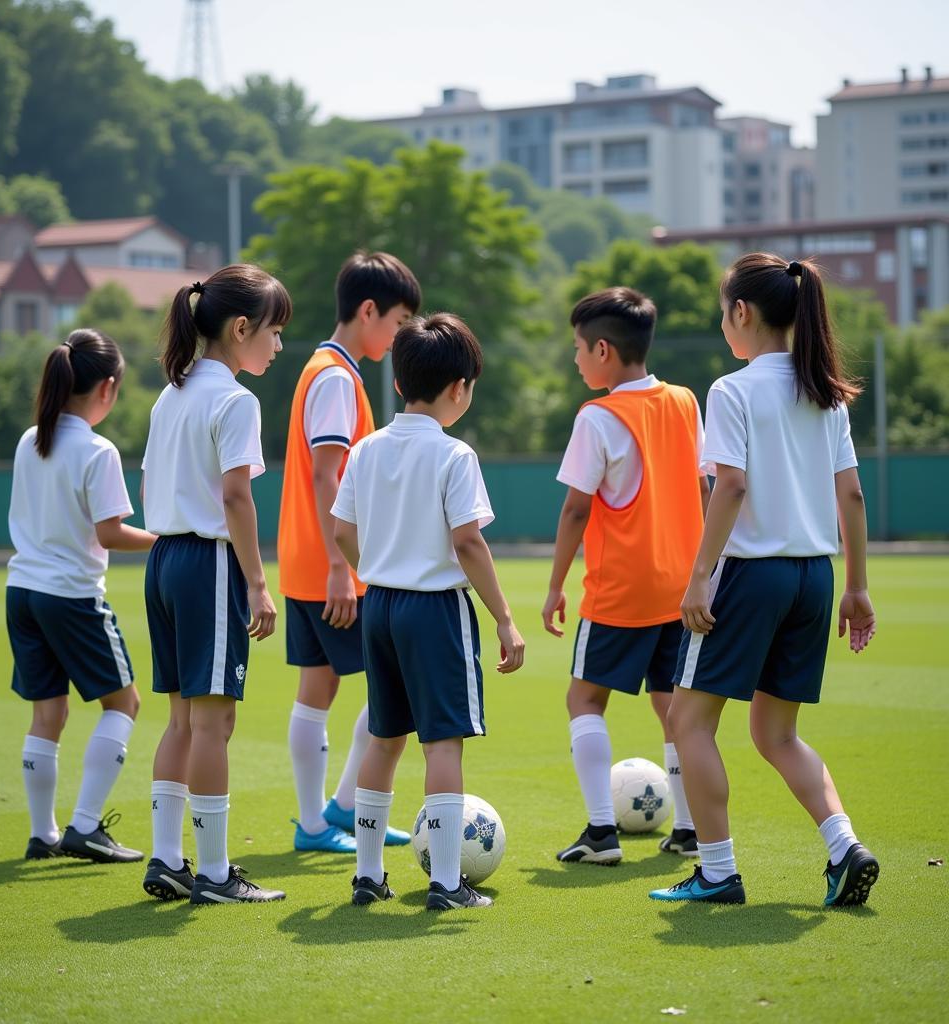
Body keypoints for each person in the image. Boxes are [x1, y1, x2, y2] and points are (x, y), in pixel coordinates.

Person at [650, 254, 879, 907]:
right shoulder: (825, 393)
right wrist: (857, 588)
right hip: (814, 577)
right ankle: (844, 846)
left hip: (750, 576)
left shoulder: (733, 390)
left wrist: (700, 578)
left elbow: (731, 486)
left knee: (689, 721)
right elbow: (853, 497)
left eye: (724, 313)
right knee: (777, 733)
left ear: (741, 314)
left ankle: (717, 872)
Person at [331, 313, 525, 911]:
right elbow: (468, 542)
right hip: (435, 610)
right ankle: (445, 883)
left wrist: (383, 564)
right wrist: (503, 618)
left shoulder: (366, 450)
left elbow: (340, 531)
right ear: (460, 388)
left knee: (383, 740)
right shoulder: (454, 455)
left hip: (381, 606)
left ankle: (368, 876)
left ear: (397, 382)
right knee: (443, 744)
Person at [542, 287, 708, 865]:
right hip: (682, 586)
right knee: (675, 708)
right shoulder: (686, 401)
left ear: (605, 350)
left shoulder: (598, 416)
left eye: (579, 348)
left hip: (622, 589)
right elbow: (703, 486)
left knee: (584, 699)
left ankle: (601, 833)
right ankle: (688, 830)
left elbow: (576, 508)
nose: (576, 358)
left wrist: (556, 584)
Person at [141, 265, 291, 905]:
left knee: (181, 719)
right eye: (274, 330)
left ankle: (167, 859)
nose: (279, 344)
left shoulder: (169, 395)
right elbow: (236, 497)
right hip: (206, 564)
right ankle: (213, 873)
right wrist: (258, 582)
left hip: (164, 561)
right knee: (214, 723)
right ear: (240, 329)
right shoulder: (235, 400)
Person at [277, 252, 420, 853]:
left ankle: (317, 822)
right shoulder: (337, 377)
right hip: (334, 565)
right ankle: (341, 809)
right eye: (399, 320)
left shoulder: (321, 368)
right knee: (399, 689)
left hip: (305, 559)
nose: (403, 334)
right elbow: (326, 476)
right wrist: (343, 565)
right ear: (368, 311)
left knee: (318, 688)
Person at [7, 328, 154, 864]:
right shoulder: (98, 449)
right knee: (125, 702)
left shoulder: (31, 439)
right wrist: (167, 541)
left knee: (48, 715)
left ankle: (42, 833)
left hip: (21, 591)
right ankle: (86, 826)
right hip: (70, 596)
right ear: (108, 388)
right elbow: (111, 532)